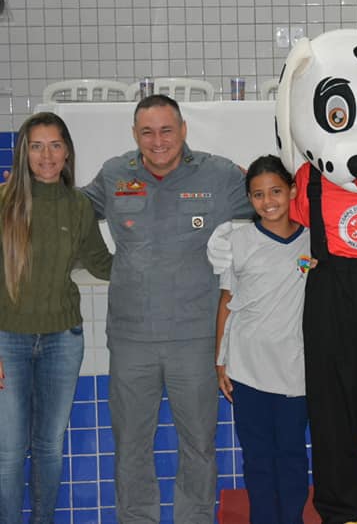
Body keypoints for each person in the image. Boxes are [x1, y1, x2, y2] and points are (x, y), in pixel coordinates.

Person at [83, 95, 250, 523]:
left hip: (195, 338)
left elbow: (277, 202)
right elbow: (70, 209)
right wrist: (22, 191)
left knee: (198, 445)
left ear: (183, 130)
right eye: (147, 132)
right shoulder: (114, 174)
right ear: (135, 134)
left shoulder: (220, 175)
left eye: (166, 130)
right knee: (131, 446)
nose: (158, 141)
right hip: (130, 339)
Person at [0, 113, 112, 524]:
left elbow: (102, 263)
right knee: (10, 452)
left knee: (49, 447)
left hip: (62, 339)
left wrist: (153, 257)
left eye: (55, 145)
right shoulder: (3, 202)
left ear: (67, 152)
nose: (46, 155)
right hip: (7, 340)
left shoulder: (79, 206)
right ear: (23, 152)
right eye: (36, 146)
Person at [211, 156, 312, 524]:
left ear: (292, 191)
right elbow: (227, 302)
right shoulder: (237, 242)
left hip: (295, 369)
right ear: (249, 199)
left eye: (276, 191)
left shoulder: (313, 240)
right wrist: (220, 360)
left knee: (292, 454)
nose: (268, 201)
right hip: (247, 367)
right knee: (257, 457)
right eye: (258, 194)